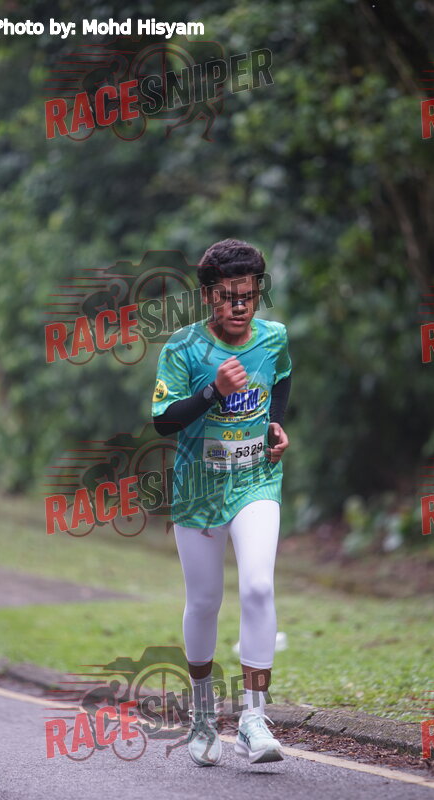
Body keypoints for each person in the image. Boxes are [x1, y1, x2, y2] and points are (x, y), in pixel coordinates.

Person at [151, 238, 292, 766]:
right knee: (205, 601)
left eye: (248, 296)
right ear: (209, 295)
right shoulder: (183, 348)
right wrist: (212, 391)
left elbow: (282, 379)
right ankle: (203, 715)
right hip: (199, 492)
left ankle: (254, 720)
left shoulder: (274, 337)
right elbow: (163, 421)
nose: (239, 306)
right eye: (229, 297)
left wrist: (276, 424)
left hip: (256, 482)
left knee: (258, 586)